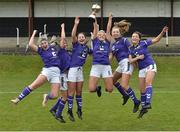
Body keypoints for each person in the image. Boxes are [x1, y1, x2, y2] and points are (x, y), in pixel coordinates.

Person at [11, 30, 61, 107]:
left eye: (45, 43)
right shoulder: (41, 51)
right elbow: (30, 44)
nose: (44, 44)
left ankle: (46, 96)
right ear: (40, 45)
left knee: (55, 95)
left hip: (57, 73)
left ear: (47, 43)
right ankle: (18, 99)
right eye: (42, 44)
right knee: (33, 86)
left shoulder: (53, 47)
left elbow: (58, 43)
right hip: (47, 71)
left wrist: (56, 41)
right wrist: (34, 33)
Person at [128, 26, 168, 118]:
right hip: (141, 69)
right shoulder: (130, 49)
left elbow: (156, 40)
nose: (134, 38)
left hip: (150, 65)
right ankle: (143, 108)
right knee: (142, 90)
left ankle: (148, 103)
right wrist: (138, 58)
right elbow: (130, 61)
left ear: (139, 38)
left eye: (136, 36)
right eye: (133, 36)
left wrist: (162, 32)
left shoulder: (143, 43)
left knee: (148, 83)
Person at [108, 16, 141, 113]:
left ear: (120, 32)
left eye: (116, 32)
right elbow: (111, 57)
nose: (115, 33)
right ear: (112, 33)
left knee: (124, 85)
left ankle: (136, 101)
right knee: (112, 80)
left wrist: (135, 60)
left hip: (127, 62)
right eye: (113, 32)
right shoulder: (113, 45)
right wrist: (105, 64)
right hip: (121, 65)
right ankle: (125, 95)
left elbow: (132, 50)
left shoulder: (125, 40)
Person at [67, 17, 89, 121]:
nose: (81, 38)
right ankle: (70, 111)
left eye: (82, 37)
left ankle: (79, 110)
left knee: (79, 91)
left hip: (80, 71)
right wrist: (75, 24)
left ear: (85, 38)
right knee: (71, 92)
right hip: (73, 70)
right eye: (79, 37)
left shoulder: (86, 48)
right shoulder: (76, 45)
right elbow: (73, 35)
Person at [49, 23, 71, 123]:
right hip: (62, 76)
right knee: (65, 97)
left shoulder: (68, 53)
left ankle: (53, 109)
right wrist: (62, 28)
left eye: (66, 43)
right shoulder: (61, 51)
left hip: (67, 76)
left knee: (64, 96)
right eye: (64, 43)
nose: (65, 44)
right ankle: (58, 115)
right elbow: (62, 38)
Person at [88, 14, 113, 95]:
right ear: (97, 36)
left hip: (106, 66)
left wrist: (109, 19)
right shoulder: (95, 41)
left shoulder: (107, 41)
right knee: (91, 89)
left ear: (105, 35)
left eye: (103, 34)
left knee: (110, 89)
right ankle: (97, 88)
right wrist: (94, 19)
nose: (101, 35)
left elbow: (108, 29)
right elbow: (95, 28)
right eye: (99, 34)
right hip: (96, 66)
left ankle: (107, 85)